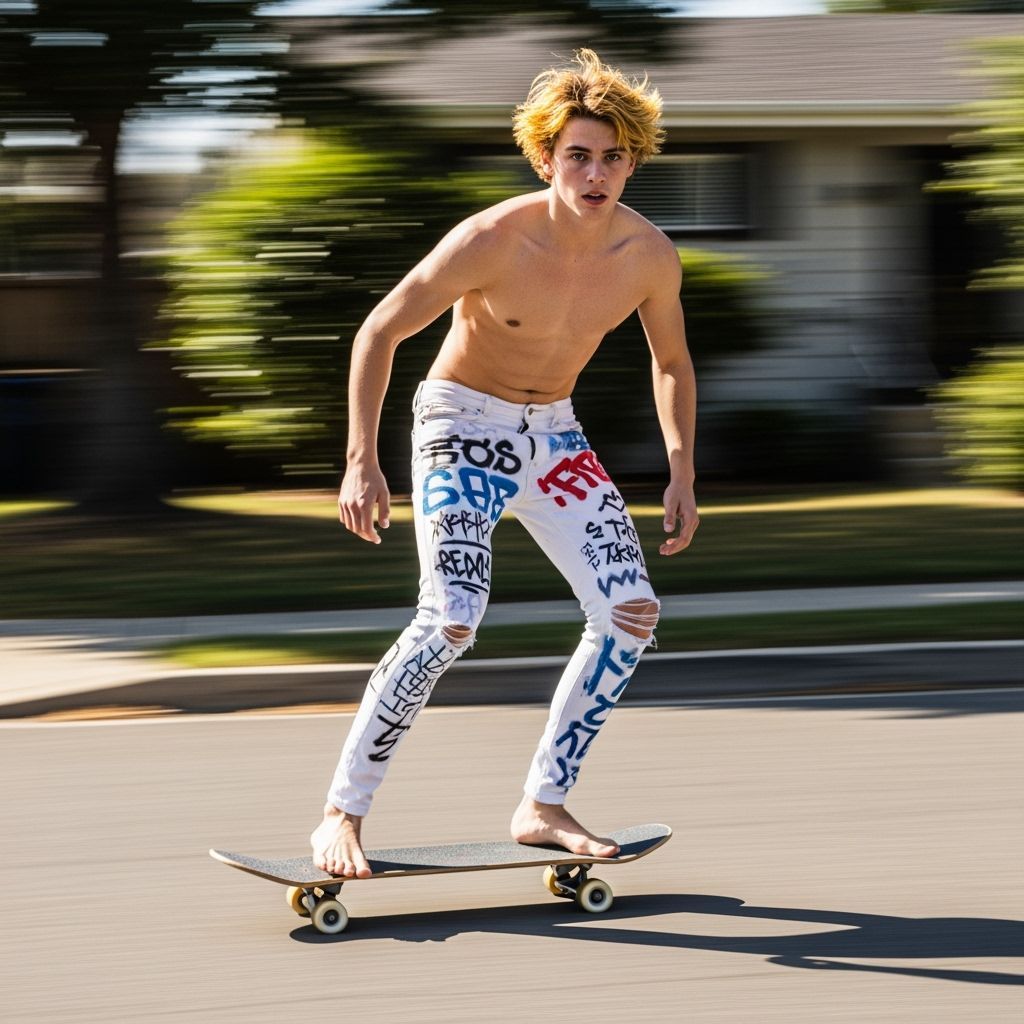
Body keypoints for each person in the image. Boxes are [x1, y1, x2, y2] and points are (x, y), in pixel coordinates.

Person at [311, 48, 698, 878]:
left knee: (632, 612)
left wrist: (681, 469)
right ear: (546, 158)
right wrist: (360, 462)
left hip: (553, 434)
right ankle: (342, 812)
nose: (596, 174)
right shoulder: (493, 240)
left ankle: (542, 804)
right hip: (460, 427)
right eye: (578, 156)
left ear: (633, 160)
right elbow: (379, 331)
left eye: (612, 157)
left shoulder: (647, 255)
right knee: (451, 617)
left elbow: (671, 363)